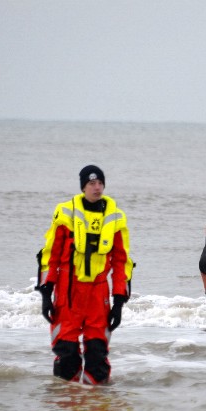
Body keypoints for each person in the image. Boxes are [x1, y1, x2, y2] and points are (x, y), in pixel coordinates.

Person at [35, 165, 134, 385]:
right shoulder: (65, 212)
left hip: (99, 295)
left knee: (97, 356)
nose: (97, 188)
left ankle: (97, 407)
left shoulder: (116, 216)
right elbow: (50, 254)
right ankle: (65, 407)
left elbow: (121, 261)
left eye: (100, 183)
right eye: (91, 183)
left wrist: (119, 301)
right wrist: (45, 292)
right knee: (67, 354)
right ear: (83, 187)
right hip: (68, 293)